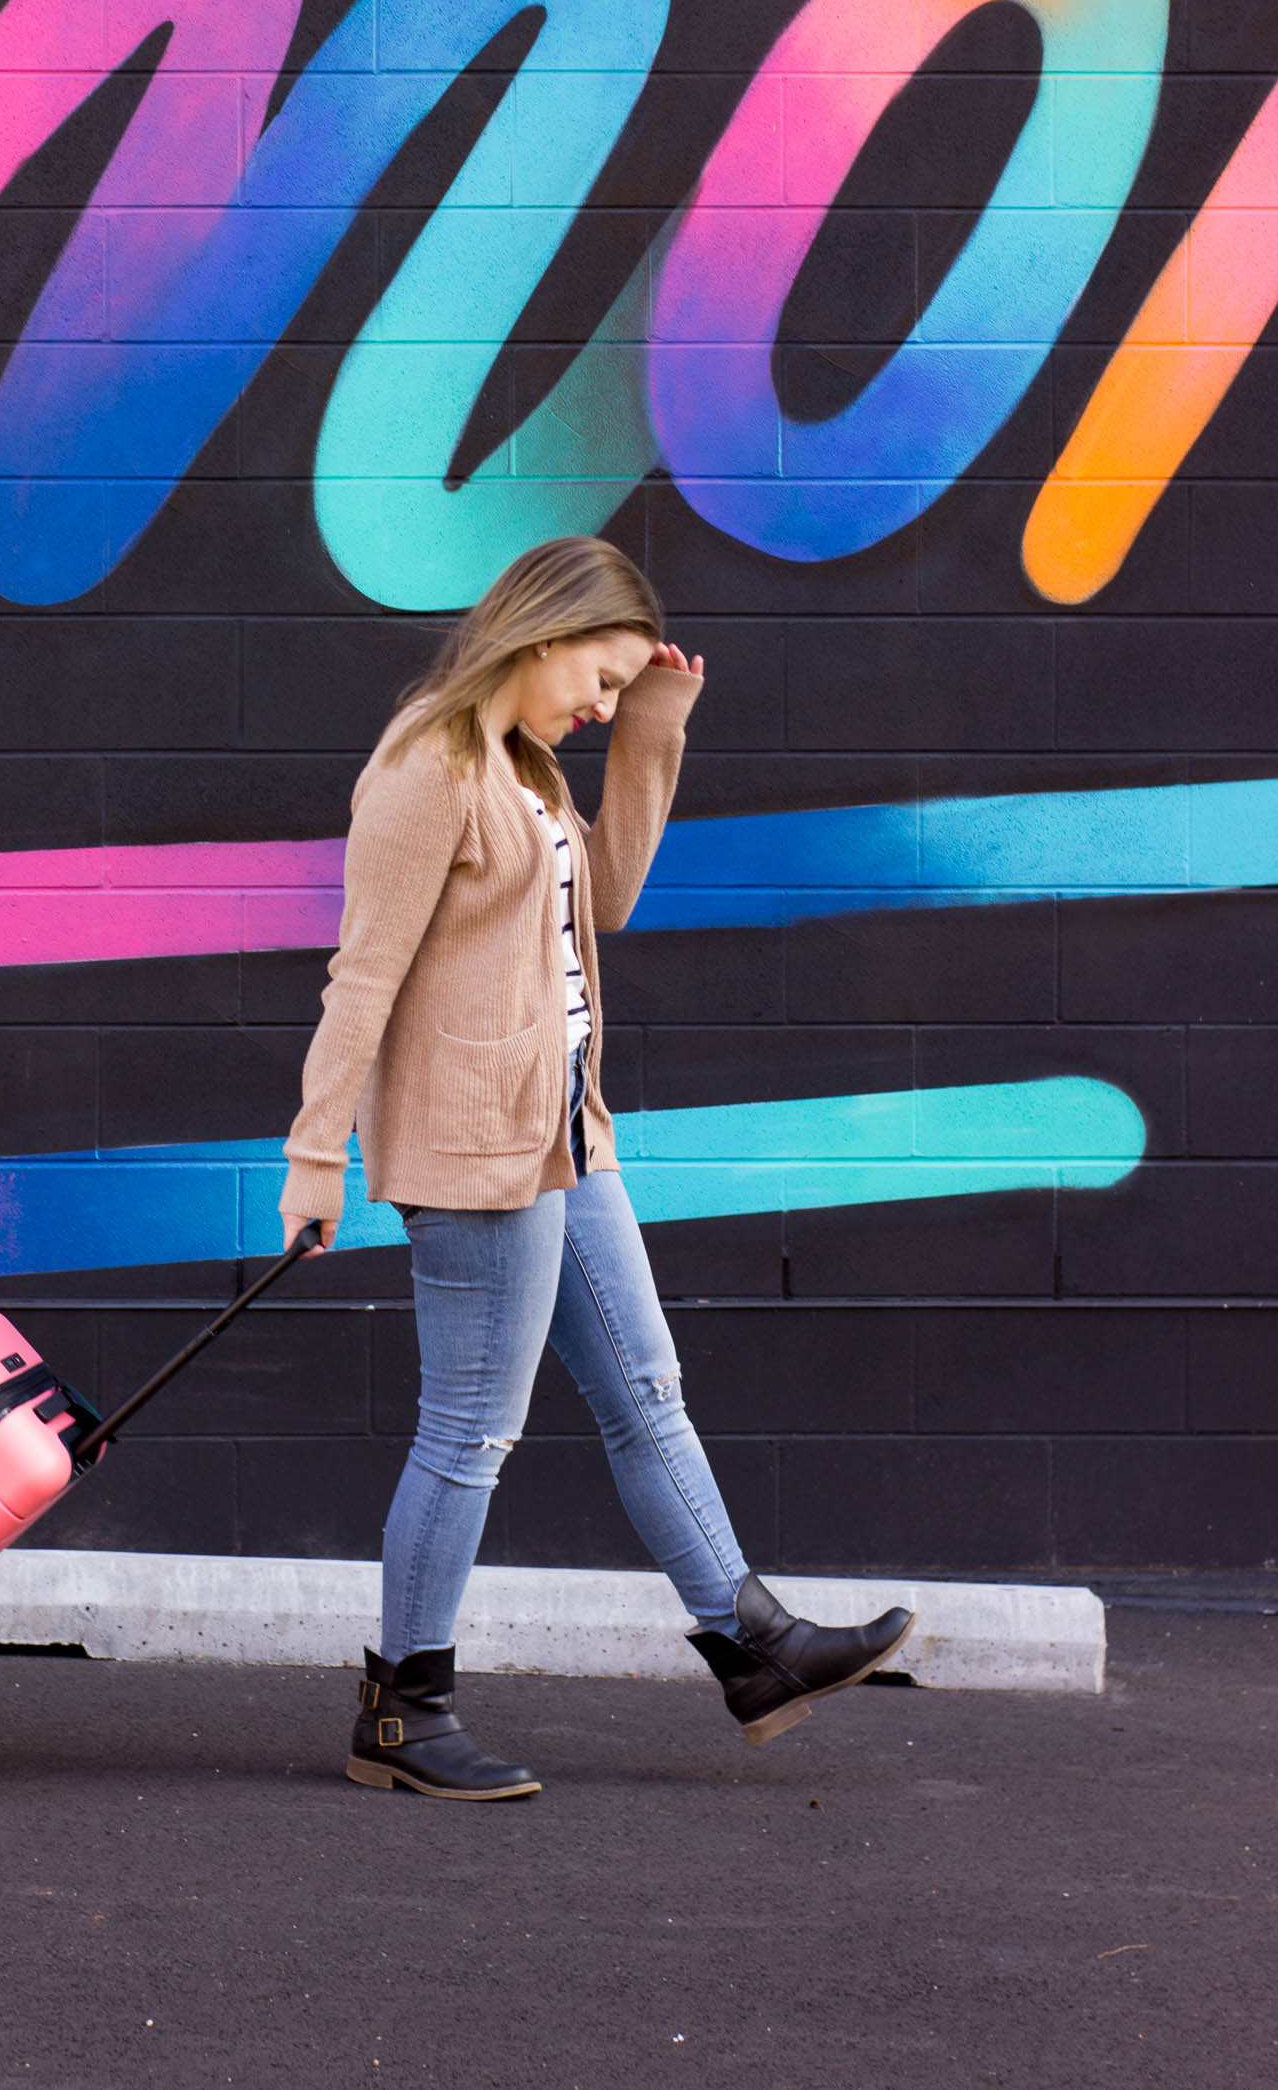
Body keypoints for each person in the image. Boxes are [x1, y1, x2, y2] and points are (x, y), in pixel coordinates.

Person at [280, 537, 915, 1800]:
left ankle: (755, 1647)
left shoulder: (525, 770)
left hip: (564, 1132)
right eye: (604, 678)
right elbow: (362, 974)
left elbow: (609, 898)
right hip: (474, 1148)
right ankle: (403, 1710)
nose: (602, 704)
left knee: (645, 1389)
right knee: (469, 1433)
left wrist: (653, 731)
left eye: (622, 689)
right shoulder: (426, 766)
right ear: (541, 633)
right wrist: (314, 1153)